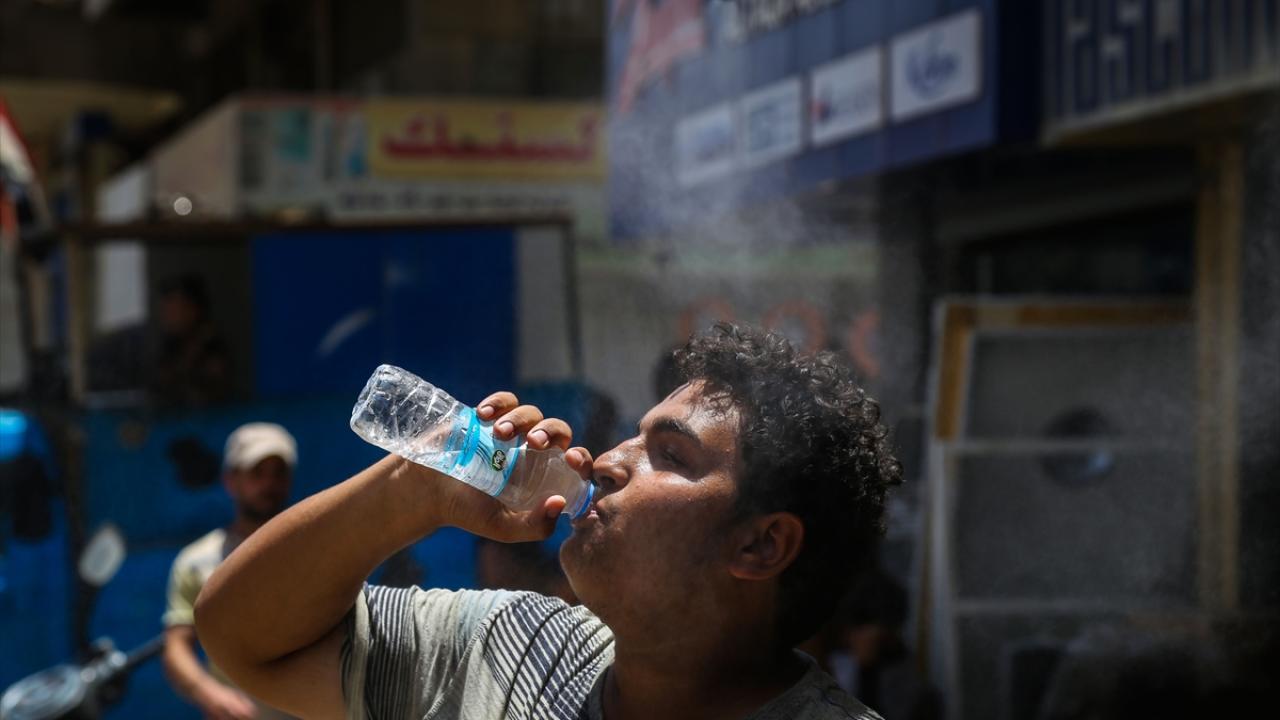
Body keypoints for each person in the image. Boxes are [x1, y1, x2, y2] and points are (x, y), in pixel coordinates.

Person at [194, 323, 903, 719]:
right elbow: (241, 639)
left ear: (760, 543)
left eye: (669, 454)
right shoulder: (512, 648)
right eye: (632, 435)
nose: (608, 460)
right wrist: (415, 490)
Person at [162, 422, 298, 720]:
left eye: (279, 473)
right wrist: (206, 691)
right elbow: (177, 644)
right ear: (230, 481)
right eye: (257, 473)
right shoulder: (197, 561)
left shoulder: (314, 548)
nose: (269, 483)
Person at [150, 273, 232, 407]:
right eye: (164, 310)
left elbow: (209, 395)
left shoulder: (213, 349)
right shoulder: (170, 346)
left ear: (193, 310)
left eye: (172, 310)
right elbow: (161, 387)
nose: (165, 317)